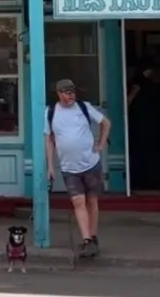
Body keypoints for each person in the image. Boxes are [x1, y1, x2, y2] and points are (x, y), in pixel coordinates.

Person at [45, 78, 111, 258]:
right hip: (68, 167)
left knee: (92, 201)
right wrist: (50, 166)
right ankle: (86, 239)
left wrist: (101, 143)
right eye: (67, 92)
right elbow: (49, 140)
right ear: (59, 94)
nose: (71, 95)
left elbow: (105, 122)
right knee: (78, 202)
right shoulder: (51, 112)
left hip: (90, 163)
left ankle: (93, 235)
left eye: (72, 92)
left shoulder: (84, 107)